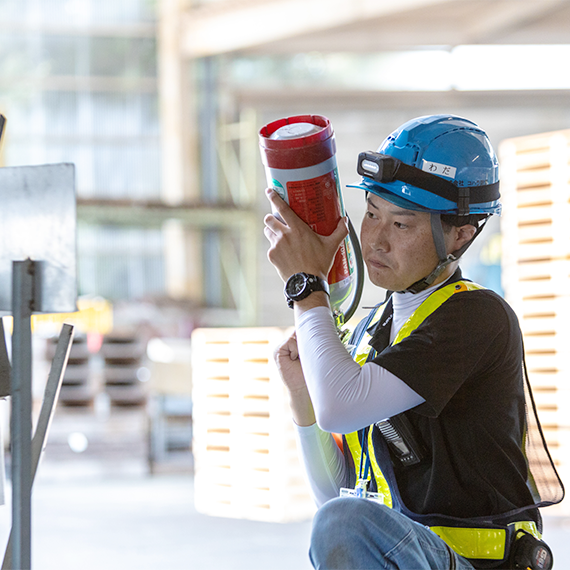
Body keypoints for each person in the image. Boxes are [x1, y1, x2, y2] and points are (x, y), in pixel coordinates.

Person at [263, 115, 562, 570]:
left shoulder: (475, 317)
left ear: (462, 233)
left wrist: (307, 289)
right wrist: (304, 399)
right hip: (412, 558)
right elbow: (338, 499)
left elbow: (341, 410)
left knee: (342, 522)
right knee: (339, 518)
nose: (376, 240)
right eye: (371, 215)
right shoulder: (373, 333)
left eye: (402, 225)